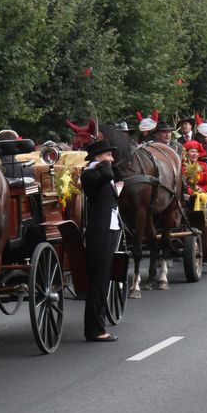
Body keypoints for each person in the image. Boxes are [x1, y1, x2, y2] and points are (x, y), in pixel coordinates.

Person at [81, 140, 124, 342]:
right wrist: (101, 165)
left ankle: (97, 326)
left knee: (105, 278)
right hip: (99, 230)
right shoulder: (90, 174)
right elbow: (108, 174)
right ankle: (95, 330)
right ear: (98, 158)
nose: (112, 159)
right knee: (99, 279)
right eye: (108, 155)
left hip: (110, 227)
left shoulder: (100, 171)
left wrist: (105, 163)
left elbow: (118, 175)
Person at [182, 140, 207, 212]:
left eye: (196, 152)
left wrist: (201, 190)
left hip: (202, 195)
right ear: (186, 153)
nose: (195, 154)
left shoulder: (203, 165)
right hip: (186, 196)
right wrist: (192, 191)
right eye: (192, 152)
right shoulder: (182, 167)